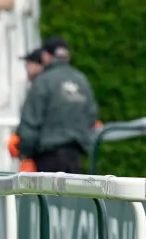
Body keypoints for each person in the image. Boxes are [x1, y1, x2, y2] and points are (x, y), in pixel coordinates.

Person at [14, 36, 99, 173]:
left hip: (46, 158)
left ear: (46, 56)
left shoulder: (43, 81)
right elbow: (91, 116)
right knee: (71, 194)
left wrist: (25, 153)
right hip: (75, 157)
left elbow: (30, 122)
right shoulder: (81, 80)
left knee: (48, 194)